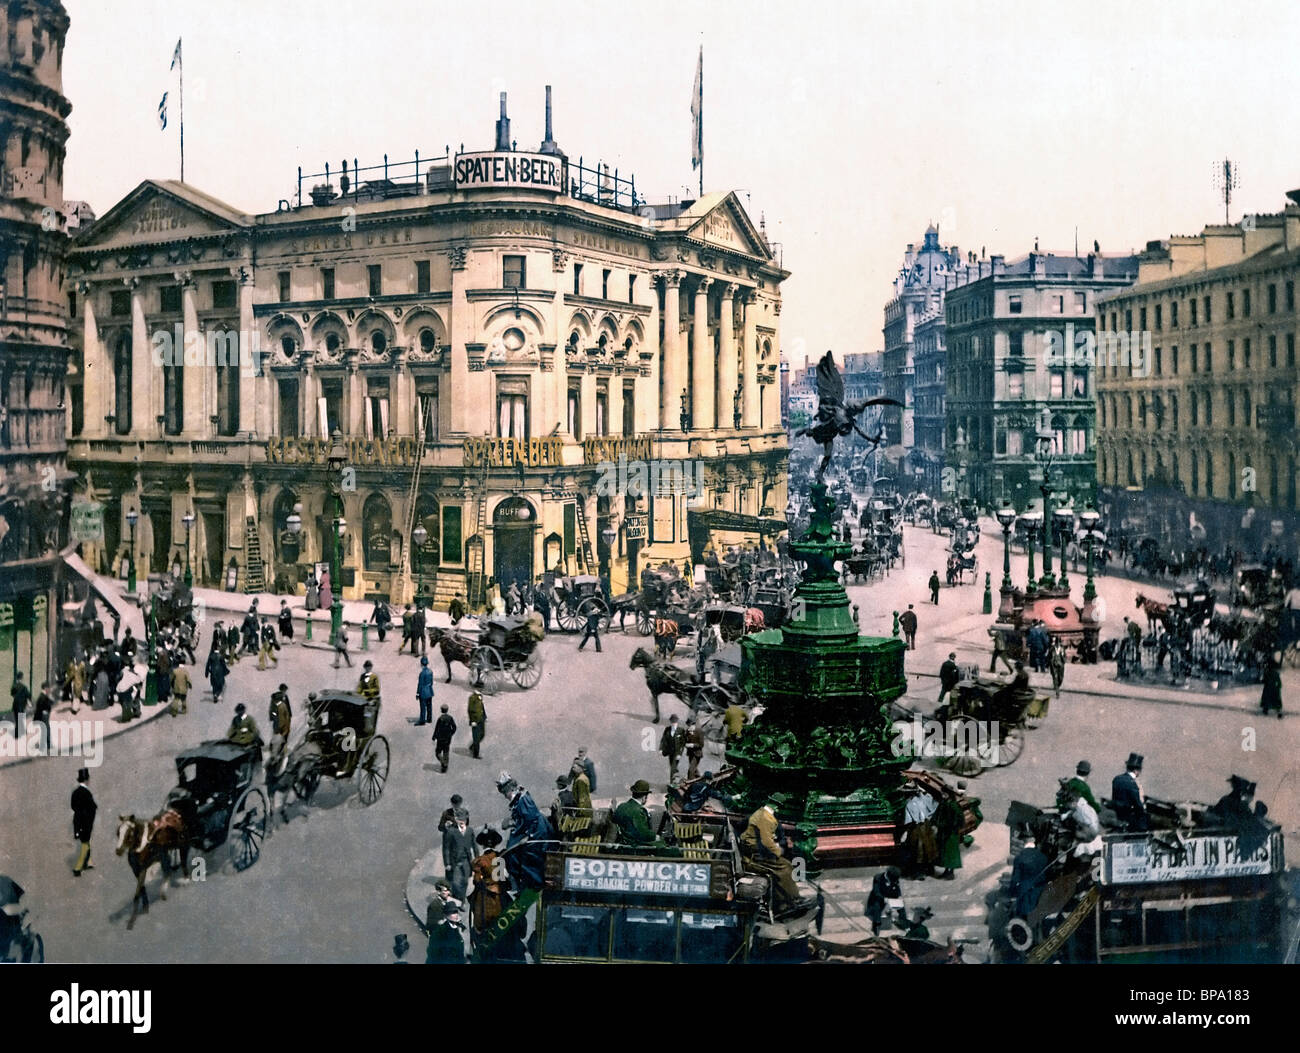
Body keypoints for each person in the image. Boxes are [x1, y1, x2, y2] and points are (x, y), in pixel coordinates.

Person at [739, 801, 804, 916]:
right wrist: (779, 851)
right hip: (755, 856)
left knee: (785, 866)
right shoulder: (766, 818)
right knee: (785, 868)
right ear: (775, 806)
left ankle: (783, 903)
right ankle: (792, 900)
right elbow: (767, 842)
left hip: (754, 852)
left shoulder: (761, 813)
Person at [498, 773, 553, 890]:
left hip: (537, 832)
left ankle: (534, 885)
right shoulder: (519, 798)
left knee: (526, 855)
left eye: (505, 793)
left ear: (511, 789)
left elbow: (531, 819)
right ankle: (520, 882)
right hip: (530, 829)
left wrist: (526, 835)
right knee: (510, 850)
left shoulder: (523, 800)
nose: (505, 796)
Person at [901, 784, 938, 878]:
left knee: (918, 849)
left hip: (916, 828)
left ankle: (919, 872)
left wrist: (905, 831)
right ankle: (930, 869)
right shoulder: (923, 799)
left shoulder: (909, 804)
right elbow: (933, 806)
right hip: (926, 826)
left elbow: (908, 820)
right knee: (929, 847)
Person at [1008, 836, 1050, 917]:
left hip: (1026, 890)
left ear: (1024, 844)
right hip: (1040, 889)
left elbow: (1015, 878)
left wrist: (1011, 892)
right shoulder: (1043, 857)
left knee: (1024, 913)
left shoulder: (1019, 858)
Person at [612, 780, 659, 847]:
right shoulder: (639, 811)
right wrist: (655, 836)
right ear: (644, 797)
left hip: (621, 843)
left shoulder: (621, 806)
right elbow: (642, 833)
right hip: (635, 845)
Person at [443, 810, 475, 902]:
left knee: (465, 882)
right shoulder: (451, 832)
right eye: (460, 819)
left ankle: (462, 900)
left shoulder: (469, 830)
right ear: (456, 820)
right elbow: (446, 848)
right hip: (455, 862)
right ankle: (458, 899)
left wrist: (476, 858)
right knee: (456, 883)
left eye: (464, 819)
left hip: (466, 861)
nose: (462, 822)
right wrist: (447, 863)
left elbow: (474, 846)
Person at [1110, 752, 1148, 831]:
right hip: (1131, 819)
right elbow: (1137, 804)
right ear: (1136, 770)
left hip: (1118, 816)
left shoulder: (1117, 779)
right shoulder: (1133, 783)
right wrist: (1143, 808)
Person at [71, 767, 97, 876]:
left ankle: (89, 862)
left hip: (78, 822)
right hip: (85, 823)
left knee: (86, 842)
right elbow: (93, 807)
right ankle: (77, 868)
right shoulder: (86, 793)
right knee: (85, 845)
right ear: (86, 780)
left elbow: (72, 806)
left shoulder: (75, 792)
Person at [425, 900, 467, 964]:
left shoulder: (457, 929)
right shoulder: (440, 931)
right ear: (446, 915)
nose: (455, 915)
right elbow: (432, 952)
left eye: (456, 912)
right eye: (452, 912)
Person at [864, 866, 902, 935]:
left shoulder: (895, 879)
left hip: (890, 895)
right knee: (877, 907)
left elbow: (897, 888)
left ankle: (902, 921)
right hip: (879, 897)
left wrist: (899, 896)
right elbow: (876, 892)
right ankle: (876, 926)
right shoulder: (878, 878)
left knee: (901, 904)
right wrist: (885, 899)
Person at [934, 792, 964, 879]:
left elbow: (959, 818)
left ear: (949, 795)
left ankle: (951, 872)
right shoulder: (944, 803)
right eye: (943, 793)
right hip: (945, 832)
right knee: (946, 853)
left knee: (951, 853)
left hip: (951, 833)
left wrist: (953, 826)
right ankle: (947, 871)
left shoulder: (953, 805)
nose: (943, 795)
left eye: (945, 793)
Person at [660, 714, 686, 782]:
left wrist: (680, 754)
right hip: (670, 752)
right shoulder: (667, 729)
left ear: (677, 722)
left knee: (672, 768)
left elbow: (683, 743)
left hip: (677, 752)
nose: (673, 723)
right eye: (672, 722)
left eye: (675, 722)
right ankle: (677, 776)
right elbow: (664, 739)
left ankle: (672, 783)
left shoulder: (681, 730)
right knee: (672, 766)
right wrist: (661, 749)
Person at [432, 703, 456, 773]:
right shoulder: (450, 718)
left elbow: (436, 729)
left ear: (441, 710)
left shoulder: (440, 719)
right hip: (448, 739)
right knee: (446, 752)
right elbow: (454, 727)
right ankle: (445, 765)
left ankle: (443, 763)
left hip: (440, 739)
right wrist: (450, 734)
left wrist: (434, 737)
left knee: (438, 753)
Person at [32, 682, 54, 752]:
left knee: (45, 729)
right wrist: (45, 711)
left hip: (43, 715)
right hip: (43, 716)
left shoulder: (44, 696)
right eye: (48, 688)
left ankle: (44, 744)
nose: (49, 689)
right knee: (46, 729)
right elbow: (44, 705)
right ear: (45, 688)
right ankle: (48, 745)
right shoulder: (42, 696)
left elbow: (51, 702)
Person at [1260, 654, 1283, 719]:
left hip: (1268, 687)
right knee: (1275, 699)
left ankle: (1266, 709)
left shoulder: (1267, 672)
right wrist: (1279, 686)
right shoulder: (1275, 673)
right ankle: (1278, 711)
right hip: (1274, 688)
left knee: (1267, 699)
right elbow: (1278, 681)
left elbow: (1264, 680)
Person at [10, 672, 30, 740]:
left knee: (17, 719)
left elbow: (12, 694)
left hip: (15, 705)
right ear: (22, 678)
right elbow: (28, 695)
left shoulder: (14, 686)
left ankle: (18, 734)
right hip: (22, 705)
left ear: (17, 678)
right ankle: (22, 732)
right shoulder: (24, 687)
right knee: (21, 718)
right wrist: (28, 702)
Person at [467, 690, 485, 759]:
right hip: (475, 720)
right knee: (476, 738)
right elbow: (470, 710)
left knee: (482, 734)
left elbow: (482, 707)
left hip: (481, 718)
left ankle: (472, 746)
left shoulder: (480, 695)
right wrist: (472, 721)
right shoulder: (472, 698)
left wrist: (485, 716)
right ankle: (475, 754)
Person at [415, 656, 434, 726]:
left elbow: (420, 684)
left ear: (421, 664)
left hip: (423, 692)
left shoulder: (422, 673)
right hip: (429, 691)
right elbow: (431, 682)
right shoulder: (430, 671)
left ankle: (422, 720)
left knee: (423, 707)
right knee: (429, 706)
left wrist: (417, 693)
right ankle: (429, 718)